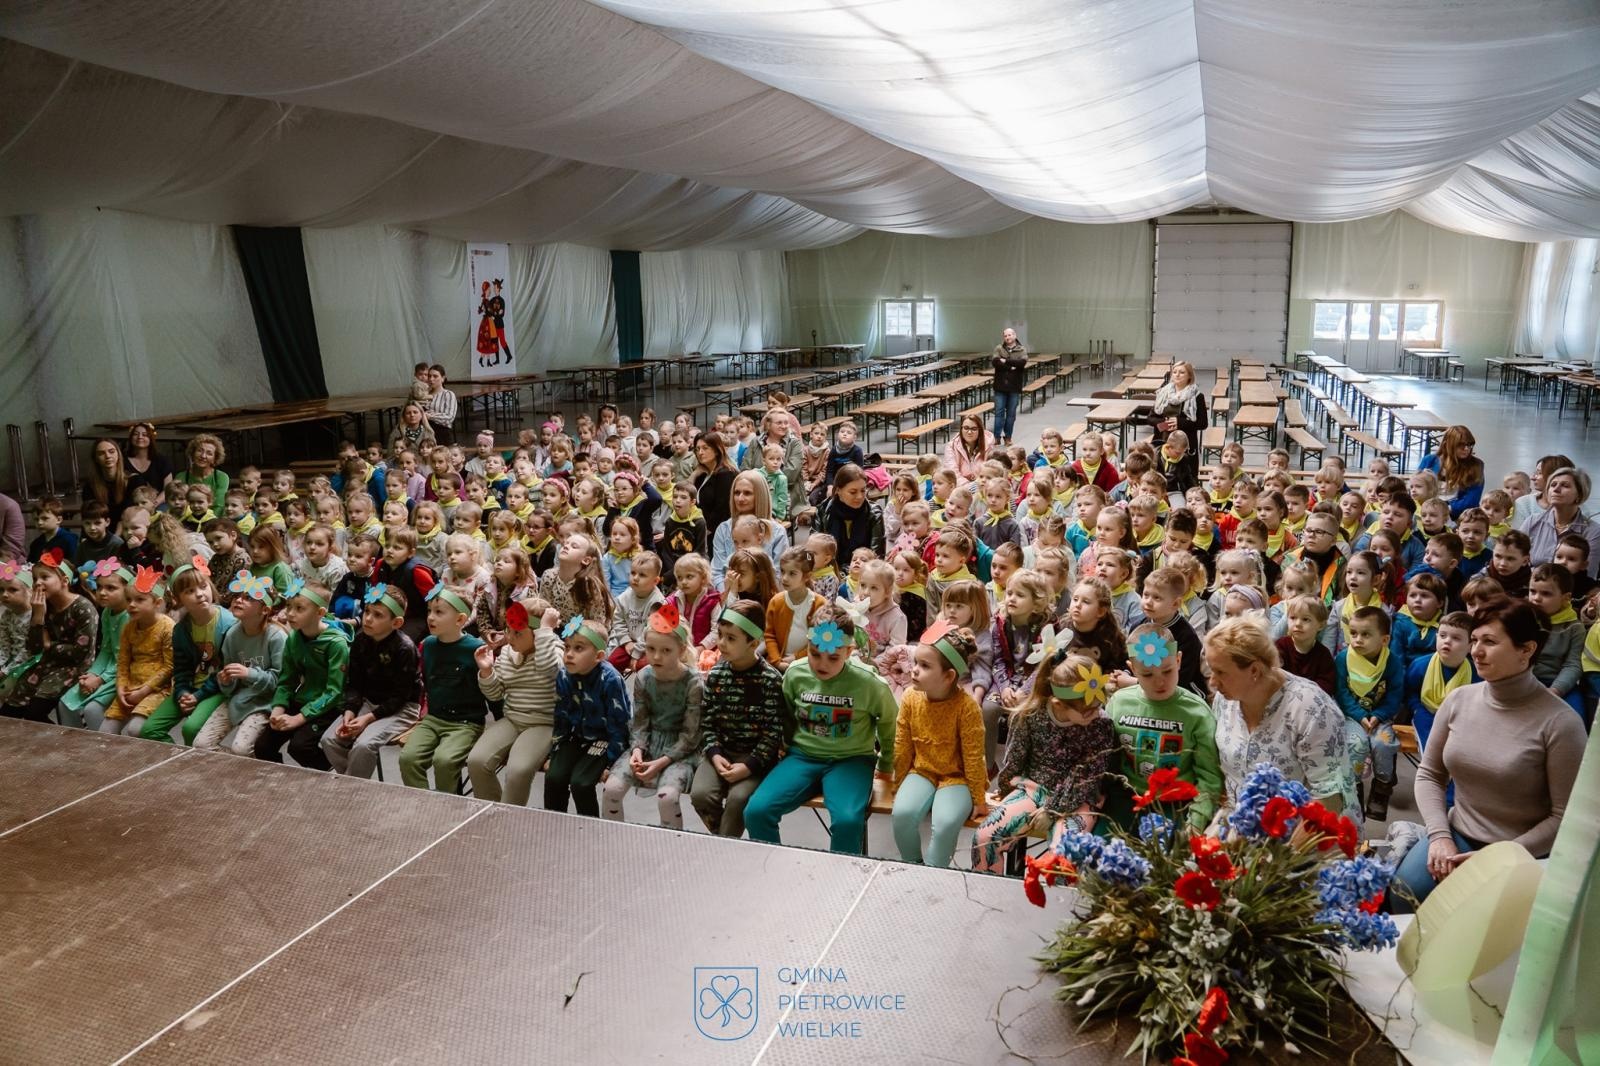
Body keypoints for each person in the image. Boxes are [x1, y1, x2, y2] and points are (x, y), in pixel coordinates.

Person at [1393, 595, 1587, 912]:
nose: (1476, 652)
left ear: (1526, 650)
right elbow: (1430, 774)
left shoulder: (1561, 723)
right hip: (1456, 834)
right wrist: (1440, 836)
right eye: (1474, 640)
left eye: (1490, 642)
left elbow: (1564, 817)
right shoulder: (1458, 701)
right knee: (1403, 897)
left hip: (1519, 852)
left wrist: (1500, 856)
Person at [744, 604, 898, 855]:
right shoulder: (795, 674)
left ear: (849, 651)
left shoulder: (870, 683)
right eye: (815, 654)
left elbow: (890, 724)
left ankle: (840, 879)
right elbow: (787, 716)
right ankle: (772, 868)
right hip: (802, 757)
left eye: (833, 657)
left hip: (851, 760)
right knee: (757, 811)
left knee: (848, 821)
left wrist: (887, 763)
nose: (822, 664)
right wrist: (784, 745)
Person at [971, 648, 1118, 872]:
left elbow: (1089, 776)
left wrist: (1052, 810)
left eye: (1098, 706)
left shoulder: (1101, 724)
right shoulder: (1029, 716)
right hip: (1033, 788)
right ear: (1058, 704)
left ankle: (1056, 901)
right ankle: (989, 886)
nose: (1096, 713)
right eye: (1088, 711)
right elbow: (1014, 760)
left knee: (1064, 854)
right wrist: (1005, 791)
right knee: (986, 836)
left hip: (1079, 796)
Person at [1204, 616, 1358, 826]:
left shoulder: (1310, 708)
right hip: (1241, 827)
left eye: (1220, 672)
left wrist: (1280, 856)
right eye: (1211, 670)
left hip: (1302, 836)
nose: (1212, 682)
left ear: (1255, 671)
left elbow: (1329, 799)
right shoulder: (1226, 699)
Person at [890, 624, 986, 868]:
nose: (914, 671)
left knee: (944, 824)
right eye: (916, 662)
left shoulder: (966, 707)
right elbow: (902, 744)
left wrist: (978, 798)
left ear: (949, 676)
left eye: (925, 666)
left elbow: (974, 755)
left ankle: (935, 872)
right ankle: (912, 865)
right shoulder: (911, 698)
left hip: (957, 777)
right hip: (922, 771)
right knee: (902, 814)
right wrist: (899, 781)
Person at [600, 602, 704, 829]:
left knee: (667, 797)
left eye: (666, 650)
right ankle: (611, 838)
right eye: (650, 649)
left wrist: (660, 763)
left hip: (679, 752)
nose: (656, 656)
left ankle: (669, 843)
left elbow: (691, 735)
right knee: (611, 789)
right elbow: (640, 723)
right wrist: (637, 750)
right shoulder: (644, 676)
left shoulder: (693, 682)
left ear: (681, 651)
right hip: (647, 744)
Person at [690, 599, 787, 838]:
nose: (721, 643)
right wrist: (714, 753)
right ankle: (726, 841)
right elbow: (708, 721)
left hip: (755, 758)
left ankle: (723, 848)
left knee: (738, 798)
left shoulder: (770, 680)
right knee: (700, 795)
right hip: (721, 752)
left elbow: (774, 732)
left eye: (731, 638)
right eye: (721, 635)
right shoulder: (716, 675)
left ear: (753, 643)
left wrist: (749, 766)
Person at [465, 596, 562, 806]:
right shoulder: (509, 653)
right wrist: (487, 671)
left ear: (538, 634)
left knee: (517, 771)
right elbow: (495, 694)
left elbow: (550, 669)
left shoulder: (553, 650)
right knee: (476, 761)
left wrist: (546, 632)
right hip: (512, 719)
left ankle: (510, 819)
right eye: (508, 629)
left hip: (542, 724)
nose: (509, 637)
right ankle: (492, 811)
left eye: (517, 632)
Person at [321, 584, 423, 779]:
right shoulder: (360, 641)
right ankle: (354, 782)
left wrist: (368, 719)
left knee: (363, 745)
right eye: (367, 611)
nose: (368, 618)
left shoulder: (405, 649)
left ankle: (351, 788)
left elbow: (401, 696)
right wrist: (350, 711)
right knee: (330, 740)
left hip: (402, 708)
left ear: (396, 623)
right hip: (369, 702)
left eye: (378, 615)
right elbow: (355, 683)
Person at [257, 580, 348, 767]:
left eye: (299, 608)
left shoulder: (336, 644)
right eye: (289, 606)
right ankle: (278, 784)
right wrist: (278, 710)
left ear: (320, 613)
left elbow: (334, 692)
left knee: (300, 747)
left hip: (330, 706)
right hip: (304, 699)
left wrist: (298, 719)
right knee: (263, 746)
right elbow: (287, 681)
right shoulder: (293, 638)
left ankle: (331, 773)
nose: (290, 613)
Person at [2, 551, 98, 722]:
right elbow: (34, 647)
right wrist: (38, 616)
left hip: (73, 668)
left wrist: (49, 645)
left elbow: (80, 653)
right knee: (10, 710)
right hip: (47, 664)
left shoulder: (83, 608)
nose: (38, 583)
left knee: (34, 714)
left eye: (45, 577)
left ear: (64, 581)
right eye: (35, 579)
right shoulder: (44, 605)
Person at [1526, 467, 1600, 577]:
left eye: (1565, 485)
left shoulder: (1593, 531)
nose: (1556, 489)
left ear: (1579, 494)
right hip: (1530, 588)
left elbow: (1588, 575)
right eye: (1553, 485)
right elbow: (1516, 562)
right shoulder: (1532, 521)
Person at [1147, 360, 1206, 485]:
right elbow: (1151, 418)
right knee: (1158, 477)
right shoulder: (1163, 394)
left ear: (1189, 376)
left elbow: (1203, 423)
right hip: (1162, 441)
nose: (1177, 375)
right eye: (1175, 372)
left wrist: (1180, 422)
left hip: (1186, 445)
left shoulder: (1197, 396)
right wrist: (1165, 423)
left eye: (1182, 372)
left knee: (1187, 479)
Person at [811, 465, 885, 563]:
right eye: (853, 492)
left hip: (864, 571)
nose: (859, 496)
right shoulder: (822, 510)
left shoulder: (874, 513)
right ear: (838, 490)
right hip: (830, 571)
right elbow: (814, 551)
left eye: (863, 491)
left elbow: (876, 557)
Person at [1417, 425, 1484, 519]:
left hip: (1456, 515)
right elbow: (1417, 487)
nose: (1466, 448)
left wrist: (1444, 509)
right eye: (1461, 445)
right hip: (1426, 511)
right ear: (1447, 444)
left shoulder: (1476, 466)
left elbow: (1471, 500)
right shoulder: (1429, 460)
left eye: (1469, 444)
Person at [692, 434, 738, 553]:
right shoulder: (701, 474)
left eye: (705, 448)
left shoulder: (726, 473)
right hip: (700, 530)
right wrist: (693, 475)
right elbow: (688, 496)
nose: (700, 452)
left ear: (717, 450)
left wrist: (707, 530)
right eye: (697, 449)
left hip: (718, 534)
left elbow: (722, 508)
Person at [989, 327, 1028, 446]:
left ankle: (1008, 437)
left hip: (1014, 387)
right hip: (1000, 386)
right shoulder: (999, 348)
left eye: (1009, 335)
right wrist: (1010, 367)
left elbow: (1022, 363)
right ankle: (996, 437)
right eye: (1005, 336)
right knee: (999, 412)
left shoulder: (1021, 349)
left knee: (1011, 414)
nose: (1007, 337)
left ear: (1014, 336)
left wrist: (1005, 361)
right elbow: (995, 362)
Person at [943, 413, 994, 485]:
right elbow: (953, 473)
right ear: (961, 429)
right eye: (966, 428)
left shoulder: (988, 445)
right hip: (959, 490)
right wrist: (970, 487)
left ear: (980, 431)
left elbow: (991, 472)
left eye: (974, 429)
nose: (969, 432)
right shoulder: (951, 446)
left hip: (982, 488)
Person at [424, 364, 458, 445]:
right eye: (429, 376)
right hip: (426, 433)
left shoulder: (448, 394)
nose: (431, 379)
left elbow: (449, 417)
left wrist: (429, 416)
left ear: (443, 378)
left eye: (435, 376)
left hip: (442, 433)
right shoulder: (424, 394)